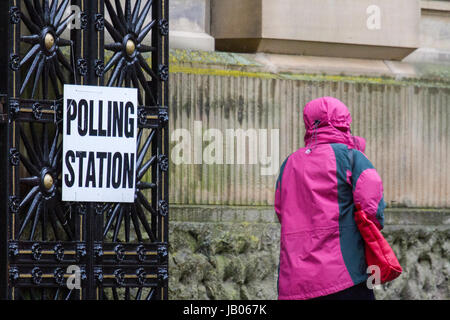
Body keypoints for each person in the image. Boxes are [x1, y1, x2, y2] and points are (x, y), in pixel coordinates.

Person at [274, 96, 386, 300]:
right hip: (345, 277)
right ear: (345, 121)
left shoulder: (289, 163)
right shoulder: (352, 157)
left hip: (295, 280)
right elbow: (373, 208)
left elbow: (281, 211)